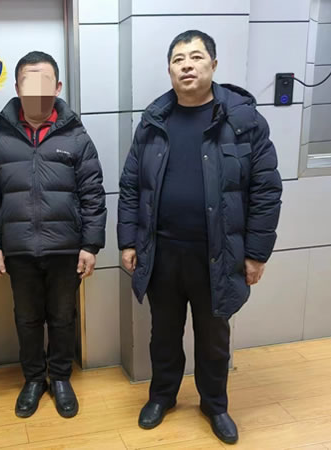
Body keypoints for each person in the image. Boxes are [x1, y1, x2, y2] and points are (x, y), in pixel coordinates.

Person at [117, 30, 282, 444]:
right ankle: (162, 396)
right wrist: (128, 241)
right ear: (170, 70)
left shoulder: (243, 121)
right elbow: (132, 186)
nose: (187, 65)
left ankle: (215, 405)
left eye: (195, 57)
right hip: (162, 252)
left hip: (219, 254)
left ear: (214, 64)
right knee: (163, 333)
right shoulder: (153, 122)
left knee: (213, 338)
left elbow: (266, 190)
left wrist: (256, 253)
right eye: (178, 59)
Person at [0, 51, 106, 419]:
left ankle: (60, 377)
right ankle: (34, 379)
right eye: (28, 83)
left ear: (58, 87)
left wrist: (90, 245)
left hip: (66, 249)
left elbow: (93, 194)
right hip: (18, 250)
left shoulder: (76, 136)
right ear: (17, 88)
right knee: (27, 319)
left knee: (63, 317)